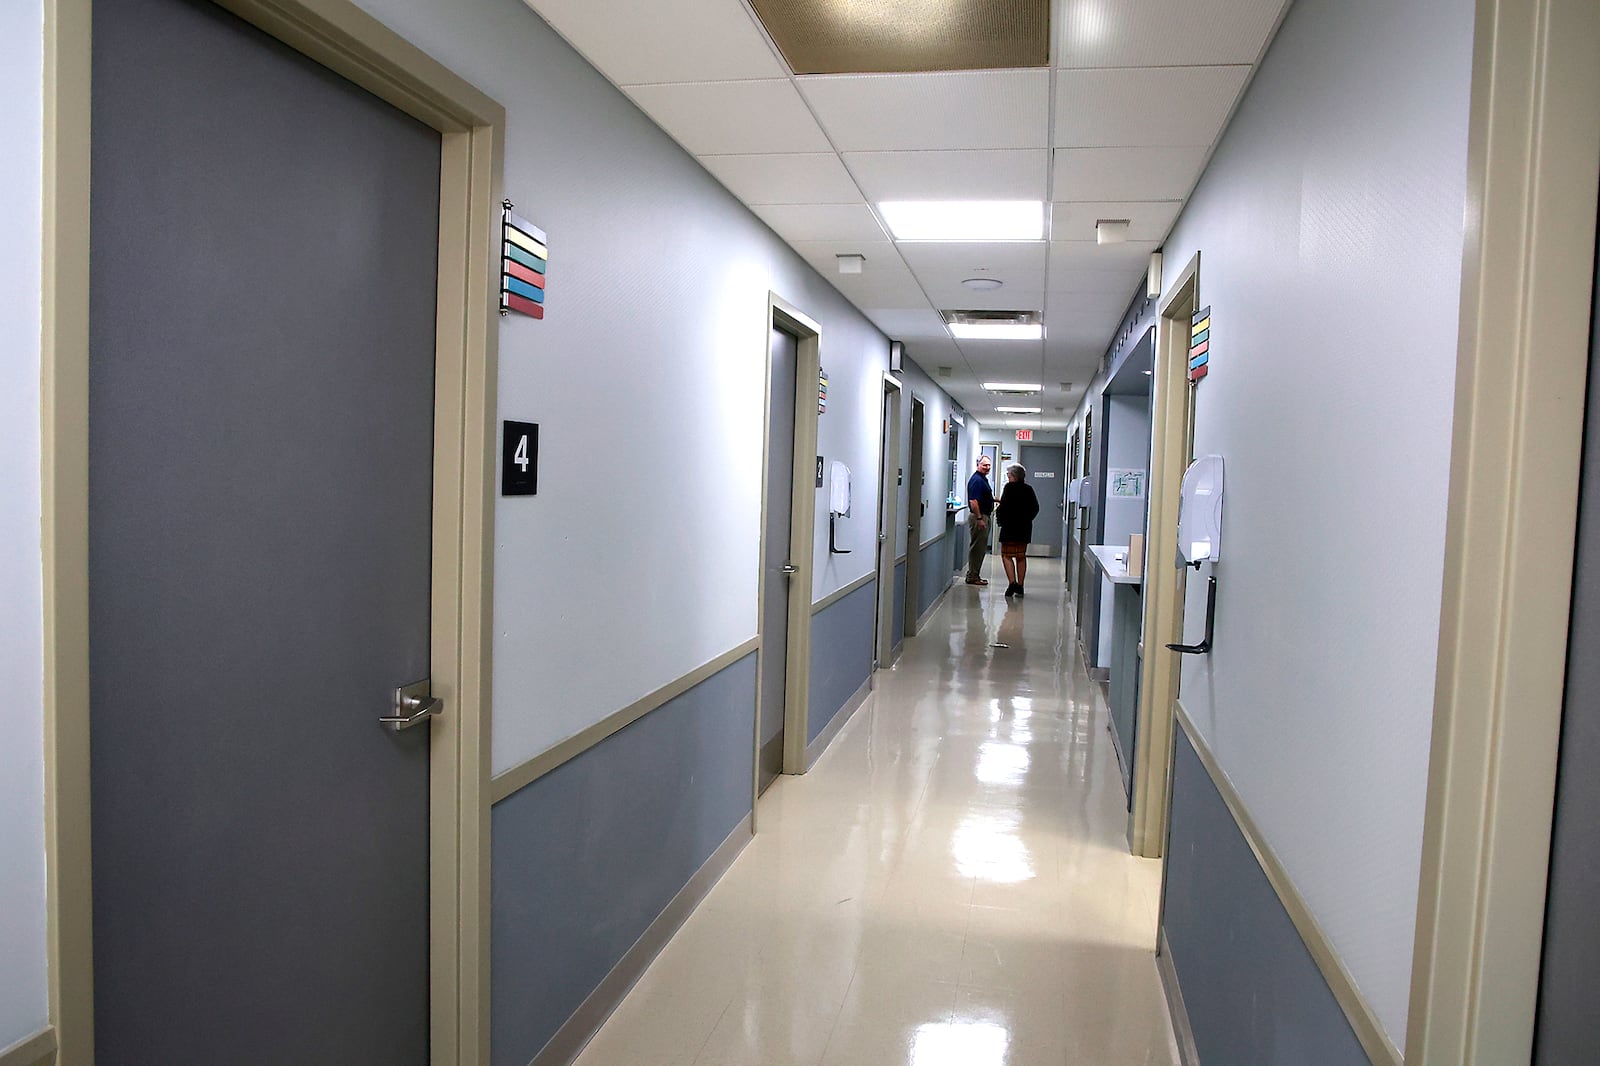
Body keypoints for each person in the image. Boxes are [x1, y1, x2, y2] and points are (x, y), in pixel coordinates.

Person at [994, 464, 1040, 597]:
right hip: (1024, 529)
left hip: (1009, 528)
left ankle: (1011, 583)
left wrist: (1000, 520)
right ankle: (1020, 585)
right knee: (1021, 556)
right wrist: (1026, 519)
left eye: (1009, 476)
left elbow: (1003, 506)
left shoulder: (1009, 488)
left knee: (1006, 555)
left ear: (1014, 476)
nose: (1008, 478)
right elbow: (1035, 507)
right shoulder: (1029, 489)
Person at [965, 455, 994, 585]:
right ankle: (972, 576)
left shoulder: (983, 479)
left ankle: (974, 574)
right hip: (979, 516)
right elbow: (974, 501)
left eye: (988, 465)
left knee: (980, 547)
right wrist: (979, 518)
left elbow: (984, 497)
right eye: (984, 465)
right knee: (977, 548)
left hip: (983, 515)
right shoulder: (977, 480)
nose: (987, 467)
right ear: (978, 465)